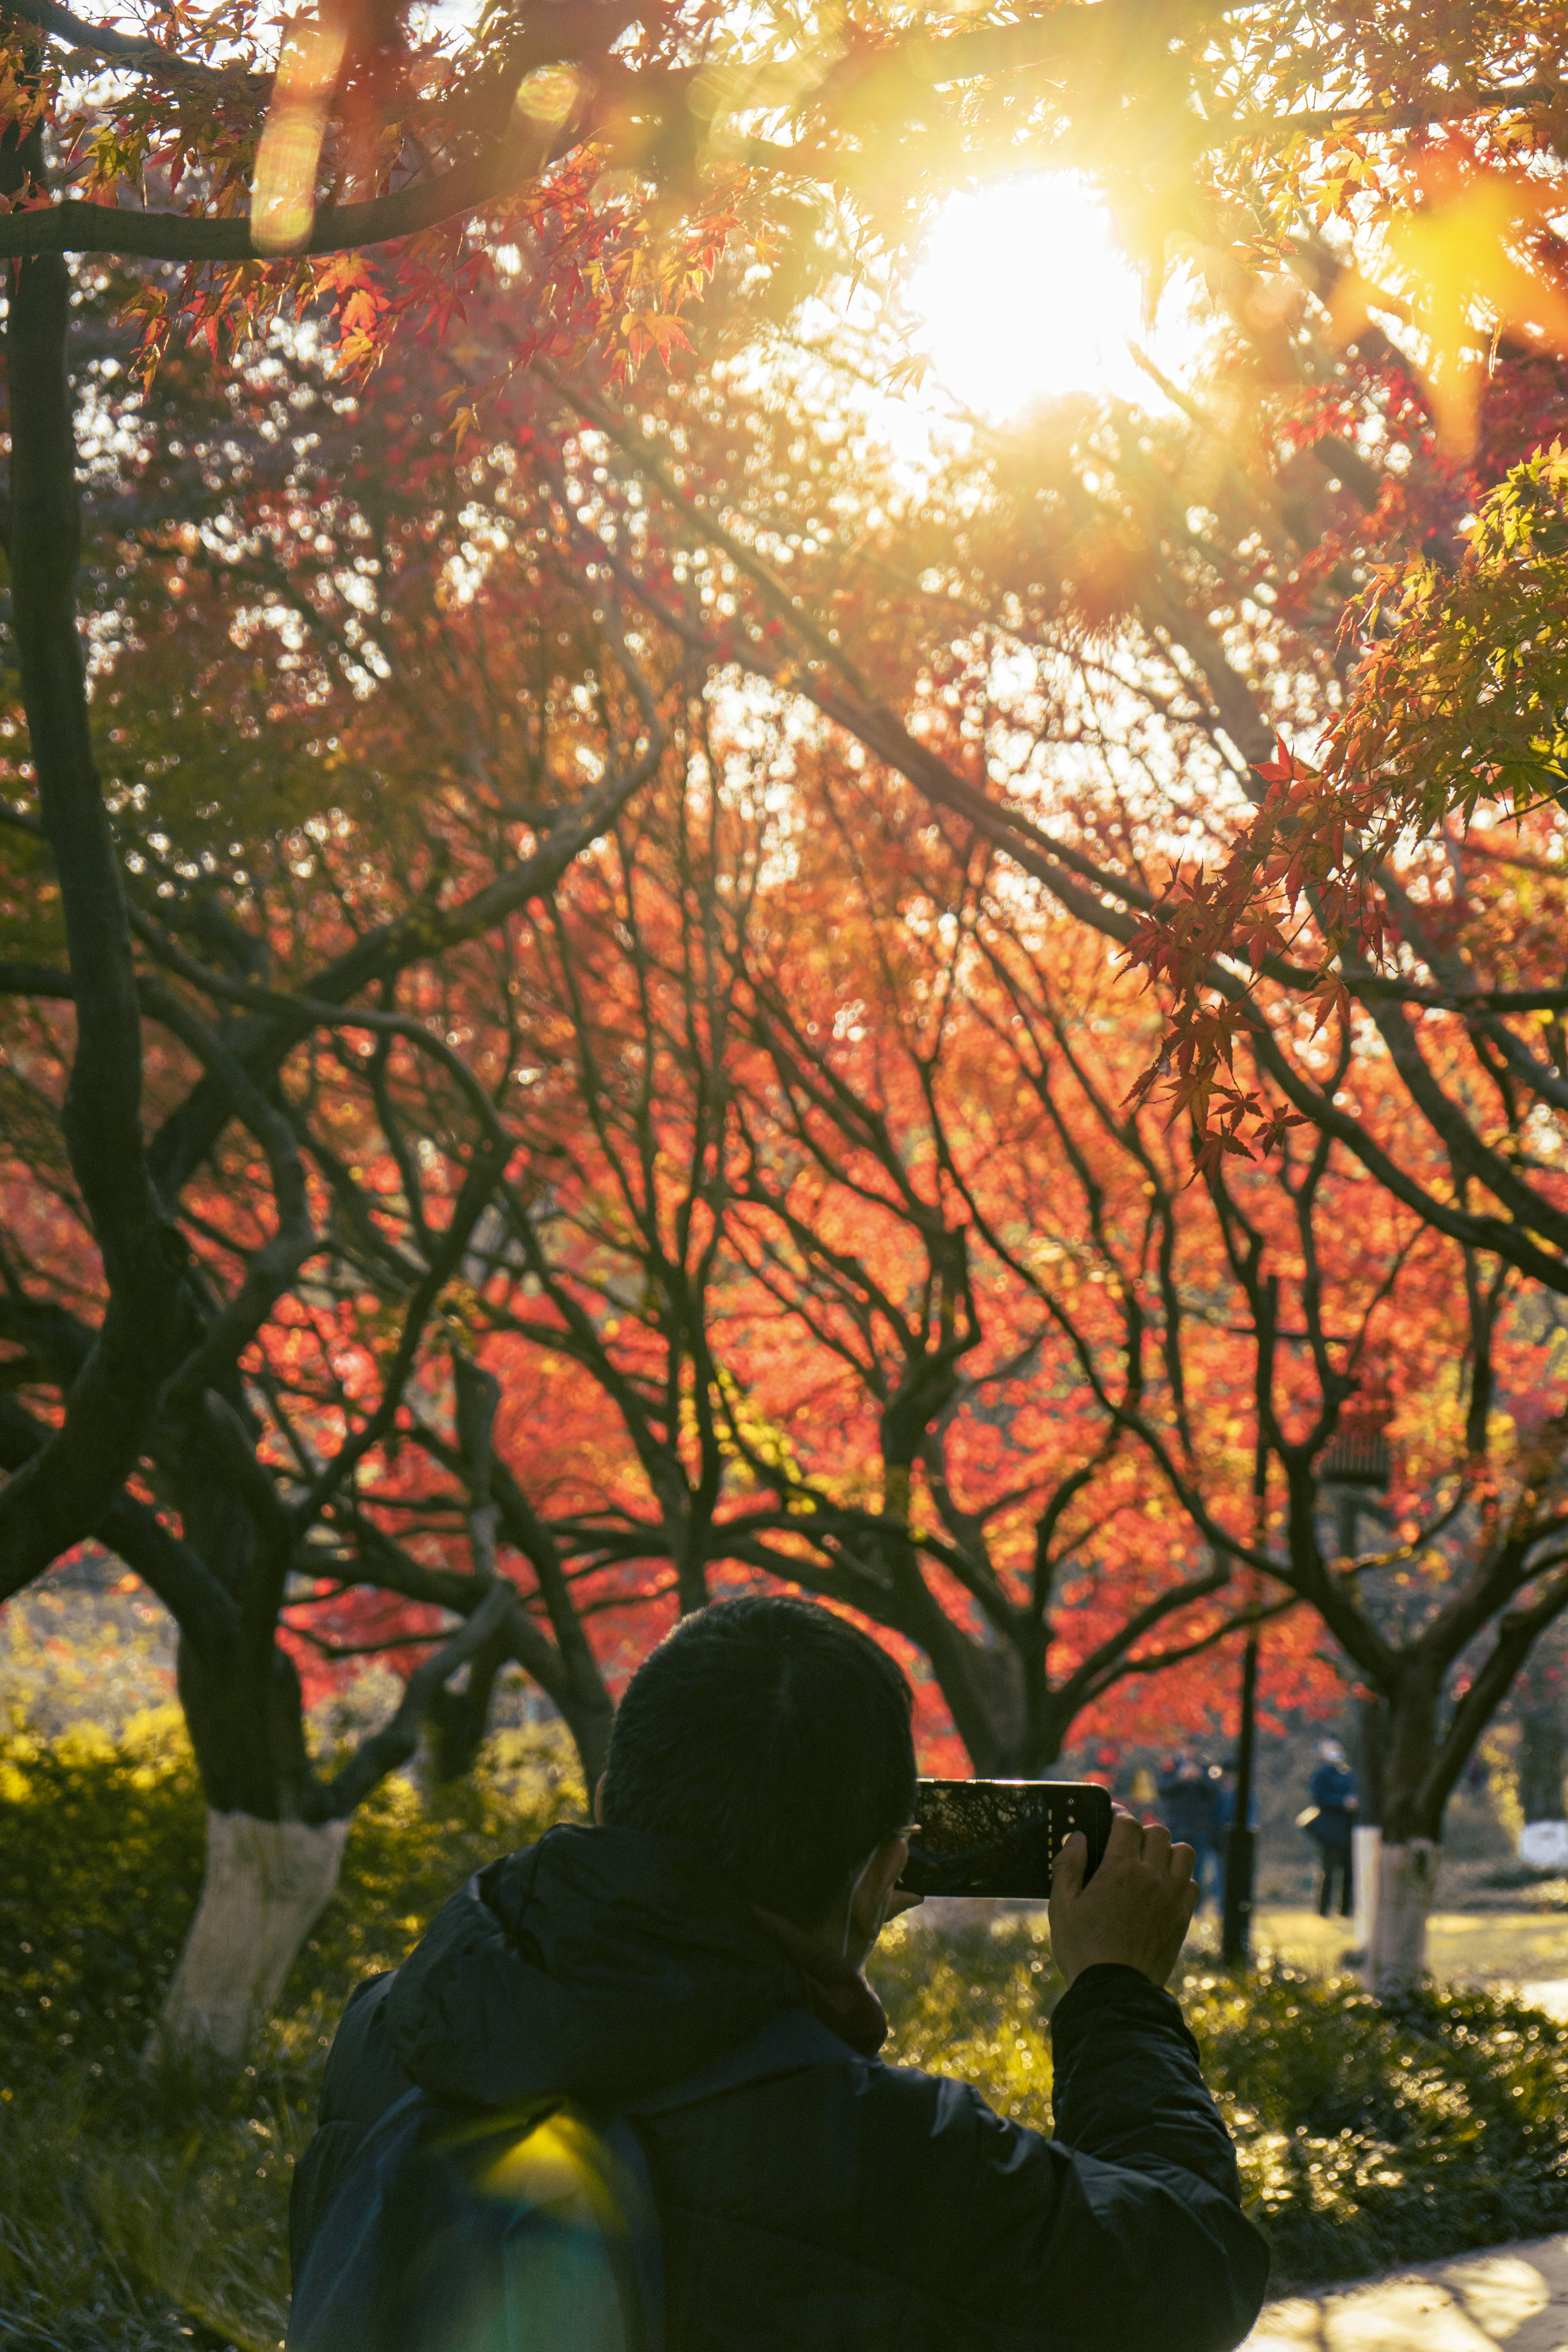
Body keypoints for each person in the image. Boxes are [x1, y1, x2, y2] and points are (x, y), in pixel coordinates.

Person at [289, 1597, 1269, 2351]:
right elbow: (1187, 2271)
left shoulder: (390, 2035)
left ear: (604, 1804)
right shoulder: (879, 2147)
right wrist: (1120, 1996)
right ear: (885, 1869)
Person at [1307, 1737, 1358, 1918]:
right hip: (1330, 1831)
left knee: (1349, 1873)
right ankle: (1324, 1909)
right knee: (1328, 1872)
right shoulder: (1322, 1774)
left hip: (1348, 1829)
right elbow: (1319, 1797)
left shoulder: (1349, 1773)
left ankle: (1346, 1910)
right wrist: (1343, 1802)